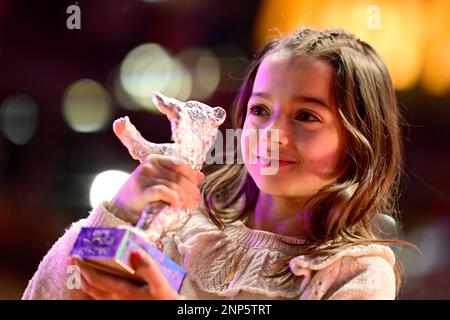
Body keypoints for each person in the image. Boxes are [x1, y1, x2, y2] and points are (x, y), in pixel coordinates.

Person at [23, 27, 410, 300]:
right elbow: (53, 291)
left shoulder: (354, 274)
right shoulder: (183, 229)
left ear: (360, 142)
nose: (271, 134)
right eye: (260, 110)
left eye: (306, 116)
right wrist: (120, 211)